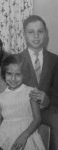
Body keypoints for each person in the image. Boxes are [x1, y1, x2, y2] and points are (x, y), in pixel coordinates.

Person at [0, 54, 45, 150]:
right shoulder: (0, 98)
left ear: (24, 75)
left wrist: (24, 136)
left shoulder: (30, 92)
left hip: (26, 133)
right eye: (9, 74)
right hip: (5, 135)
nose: (13, 79)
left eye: (18, 74)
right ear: (4, 74)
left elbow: (37, 119)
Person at [19, 15, 58, 150]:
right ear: (24, 34)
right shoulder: (16, 60)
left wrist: (47, 100)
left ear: (46, 33)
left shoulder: (55, 60)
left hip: (46, 111)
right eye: (31, 32)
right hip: (22, 109)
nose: (36, 36)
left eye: (40, 31)